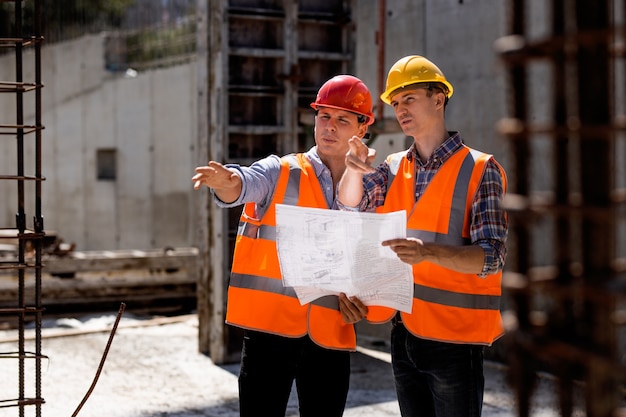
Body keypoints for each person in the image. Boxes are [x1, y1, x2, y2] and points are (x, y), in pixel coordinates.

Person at [337, 55, 509, 417]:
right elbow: (352, 206)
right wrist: (353, 171)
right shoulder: (393, 166)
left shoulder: (480, 168)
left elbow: (491, 256)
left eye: (409, 98)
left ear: (438, 99)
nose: (400, 109)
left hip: (456, 341)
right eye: (395, 103)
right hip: (404, 334)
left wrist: (428, 252)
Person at [192, 74, 371, 417]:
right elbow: (243, 184)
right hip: (269, 333)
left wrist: (366, 301)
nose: (329, 127)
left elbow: (369, 257)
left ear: (361, 129)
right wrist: (227, 182)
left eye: (342, 119)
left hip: (330, 332)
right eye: (324, 116)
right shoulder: (282, 170)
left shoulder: (368, 183)